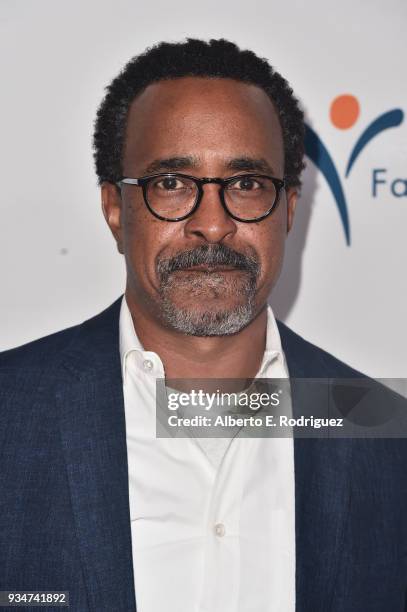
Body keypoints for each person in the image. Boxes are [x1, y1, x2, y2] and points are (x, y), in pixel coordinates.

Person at [0, 39, 406, 612]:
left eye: (245, 184)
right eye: (171, 183)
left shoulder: (386, 436)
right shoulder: (10, 414)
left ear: (288, 210)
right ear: (115, 209)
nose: (211, 225)